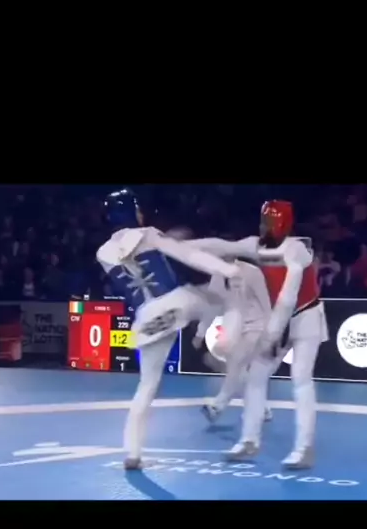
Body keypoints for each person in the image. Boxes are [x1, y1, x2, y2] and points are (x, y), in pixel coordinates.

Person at [96, 189, 243, 470]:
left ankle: (133, 453)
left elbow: (129, 259)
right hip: (178, 301)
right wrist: (228, 271)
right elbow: (189, 255)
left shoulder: (102, 253)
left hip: (147, 319)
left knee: (147, 387)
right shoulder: (149, 235)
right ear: (132, 211)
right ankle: (224, 348)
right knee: (220, 299)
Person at [189, 200, 328, 469]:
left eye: (271, 222)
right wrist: (177, 246)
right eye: (264, 221)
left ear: (284, 223)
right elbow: (222, 246)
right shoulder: (257, 246)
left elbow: (289, 296)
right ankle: (249, 440)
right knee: (255, 377)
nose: (266, 227)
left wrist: (273, 332)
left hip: (305, 316)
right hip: (279, 318)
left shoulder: (296, 249)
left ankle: (304, 449)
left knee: (300, 378)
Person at [191, 256, 274, 423]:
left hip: (256, 325)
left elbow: (266, 304)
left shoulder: (252, 272)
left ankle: (217, 407)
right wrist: (200, 333)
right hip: (235, 328)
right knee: (239, 371)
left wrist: (271, 331)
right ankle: (262, 408)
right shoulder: (217, 275)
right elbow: (213, 306)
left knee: (236, 364)